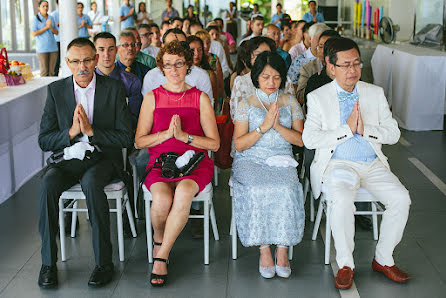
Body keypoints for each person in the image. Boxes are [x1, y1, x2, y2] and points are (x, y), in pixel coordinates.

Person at [302, 37, 411, 290]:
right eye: (345, 65)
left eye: (356, 64)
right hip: (338, 164)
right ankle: (345, 264)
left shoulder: (375, 93)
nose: (352, 70)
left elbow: (393, 134)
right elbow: (309, 139)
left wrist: (366, 130)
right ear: (331, 67)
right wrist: (346, 131)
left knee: (401, 198)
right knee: (341, 200)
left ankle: (383, 259)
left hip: (372, 164)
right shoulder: (319, 97)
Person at [37, 37, 133, 289]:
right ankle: (48, 264)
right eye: (76, 61)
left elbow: (126, 137)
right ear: (67, 63)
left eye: (88, 60)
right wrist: (69, 134)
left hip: (102, 158)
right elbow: (44, 140)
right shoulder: (56, 91)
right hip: (68, 159)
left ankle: (104, 263)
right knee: (47, 184)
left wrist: (91, 131)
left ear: (96, 60)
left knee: (91, 183)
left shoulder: (113, 88)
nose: (83, 66)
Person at [135, 40, 219, 287]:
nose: (173, 70)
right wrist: (166, 135)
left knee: (183, 194)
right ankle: (159, 236)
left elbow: (214, 144)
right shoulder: (152, 97)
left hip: (195, 162)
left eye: (179, 64)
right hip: (160, 161)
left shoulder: (199, 98)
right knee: (161, 199)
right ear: (162, 67)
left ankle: (161, 255)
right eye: (168, 64)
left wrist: (186, 138)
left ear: (188, 65)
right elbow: (139, 140)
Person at [232, 51, 305, 279]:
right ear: (256, 77)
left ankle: (282, 249)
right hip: (250, 159)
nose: (271, 83)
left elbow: (301, 140)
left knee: (286, 188)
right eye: (265, 77)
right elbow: (240, 144)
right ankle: (264, 249)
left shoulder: (290, 101)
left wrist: (278, 127)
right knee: (256, 188)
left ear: (282, 77)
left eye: (276, 77)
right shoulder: (246, 104)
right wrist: (263, 127)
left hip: (282, 159)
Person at [141, 28, 214, 106]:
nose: (176, 49)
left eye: (182, 45)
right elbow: (147, 110)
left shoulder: (201, 75)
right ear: (163, 47)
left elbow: (208, 109)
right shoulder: (152, 76)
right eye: (171, 45)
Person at [231, 36, 295, 122]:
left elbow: (293, 112)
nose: (262, 59)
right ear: (250, 58)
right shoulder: (241, 81)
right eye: (258, 55)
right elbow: (235, 115)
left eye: (267, 54)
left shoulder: (285, 80)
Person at [94, 32, 142, 127]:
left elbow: (133, 117)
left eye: (111, 49)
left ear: (116, 50)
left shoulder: (131, 81)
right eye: (101, 50)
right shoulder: (87, 80)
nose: (106, 54)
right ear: (94, 52)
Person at [296, 29, 339, 103]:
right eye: (321, 46)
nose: (323, 51)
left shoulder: (345, 68)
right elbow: (299, 95)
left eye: (327, 47)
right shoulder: (307, 68)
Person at [287, 22, 330, 87]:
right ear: (310, 39)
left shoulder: (332, 59)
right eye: (319, 40)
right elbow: (291, 85)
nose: (323, 44)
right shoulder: (300, 61)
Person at [187, 35, 218, 104]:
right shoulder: (181, 73)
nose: (196, 54)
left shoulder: (209, 74)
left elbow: (214, 102)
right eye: (192, 50)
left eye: (199, 50)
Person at [194, 30, 224, 99]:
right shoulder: (191, 60)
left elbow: (220, 84)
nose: (206, 46)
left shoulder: (214, 59)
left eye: (208, 43)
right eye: (202, 43)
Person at [32, 0, 58, 77]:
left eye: (47, 6)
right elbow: (34, 33)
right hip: (42, 49)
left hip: (53, 48)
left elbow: (56, 32)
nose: (45, 8)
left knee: (52, 72)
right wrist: (46, 27)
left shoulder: (51, 18)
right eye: (43, 6)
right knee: (44, 72)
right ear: (39, 8)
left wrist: (50, 27)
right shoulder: (35, 19)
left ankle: (51, 89)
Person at [50, 0, 60, 76]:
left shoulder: (70, 13)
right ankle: (55, 76)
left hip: (68, 40)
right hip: (58, 40)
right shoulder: (53, 15)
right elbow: (52, 27)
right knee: (57, 61)